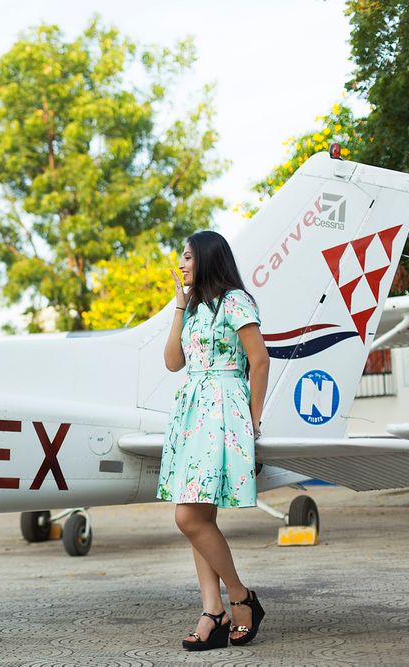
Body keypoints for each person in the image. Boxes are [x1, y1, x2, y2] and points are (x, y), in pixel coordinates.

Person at [157, 230, 270, 651]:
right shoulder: (194, 307)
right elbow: (172, 362)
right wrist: (179, 306)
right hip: (192, 411)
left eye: (188, 256)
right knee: (199, 520)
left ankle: (240, 597)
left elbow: (259, 361)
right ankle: (213, 610)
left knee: (188, 518)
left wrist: (253, 423)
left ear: (207, 257)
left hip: (224, 407)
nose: (182, 263)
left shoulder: (235, 300)